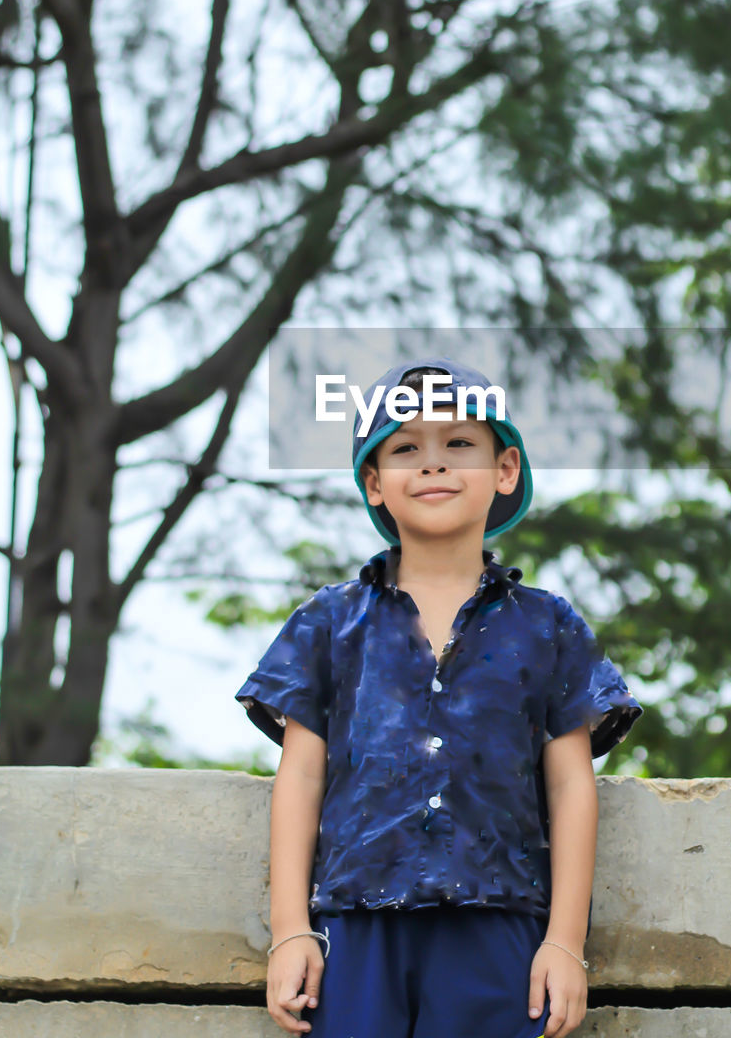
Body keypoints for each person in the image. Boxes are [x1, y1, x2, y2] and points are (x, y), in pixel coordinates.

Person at [235, 357, 643, 1038]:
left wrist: (564, 942)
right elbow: (302, 776)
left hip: (499, 924)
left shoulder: (548, 626)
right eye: (404, 449)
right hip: (354, 926)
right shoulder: (327, 623)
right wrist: (289, 933)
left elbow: (572, 787)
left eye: (458, 444)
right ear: (374, 482)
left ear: (503, 470)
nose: (432, 465)